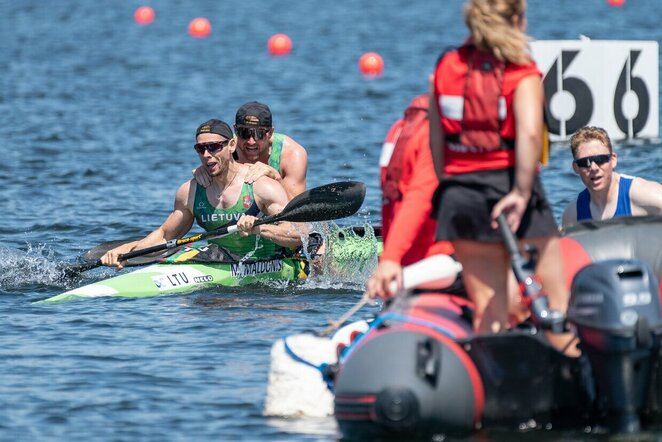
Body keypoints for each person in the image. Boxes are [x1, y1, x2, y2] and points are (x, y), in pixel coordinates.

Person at [428, 0, 571, 342]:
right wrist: (521, 193)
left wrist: (453, 186)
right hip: (509, 185)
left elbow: (436, 138)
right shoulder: (520, 70)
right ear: (517, 19)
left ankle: (494, 390)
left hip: (460, 194)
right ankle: (572, 378)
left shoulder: (446, 65)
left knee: (489, 312)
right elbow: (530, 135)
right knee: (556, 306)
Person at [101, 119, 304, 269]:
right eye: (201, 149)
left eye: (214, 147)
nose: (207, 155)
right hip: (218, 261)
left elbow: (296, 235)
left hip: (267, 264)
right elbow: (165, 236)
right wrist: (128, 254)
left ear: (231, 145)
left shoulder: (261, 187)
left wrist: (260, 229)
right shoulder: (189, 192)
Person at [365, 94, 456, 298]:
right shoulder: (431, 134)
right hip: (436, 263)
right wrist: (390, 259)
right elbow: (419, 199)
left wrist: (390, 257)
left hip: (404, 265)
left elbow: (394, 201)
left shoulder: (398, 130)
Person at [193, 101, 308, 200]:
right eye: (244, 133)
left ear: (271, 133)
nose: (251, 141)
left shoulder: (292, 154)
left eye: (259, 134)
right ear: (235, 131)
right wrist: (205, 170)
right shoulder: (225, 148)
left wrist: (276, 178)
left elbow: (297, 210)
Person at [561, 126, 662, 228]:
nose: (593, 168)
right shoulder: (572, 215)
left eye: (600, 159)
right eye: (584, 162)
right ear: (576, 167)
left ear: (613, 160)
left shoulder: (644, 195)